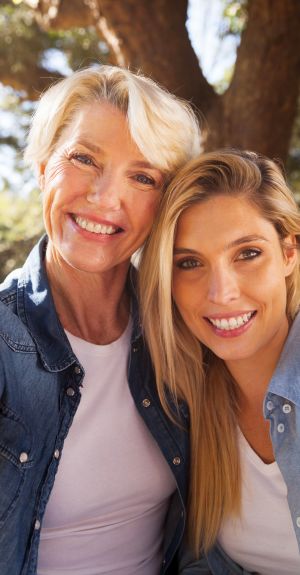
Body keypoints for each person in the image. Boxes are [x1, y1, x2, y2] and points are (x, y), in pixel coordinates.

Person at [0, 64, 201, 575]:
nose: (105, 198)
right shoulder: (6, 342)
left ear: (164, 206)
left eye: (142, 176)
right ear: (45, 166)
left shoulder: (187, 331)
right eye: (84, 158)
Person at [139, 149, 300, 575]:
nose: (221, 293)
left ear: (289, 252)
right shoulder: (185, 405)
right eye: (190, 263)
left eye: (247, 254)